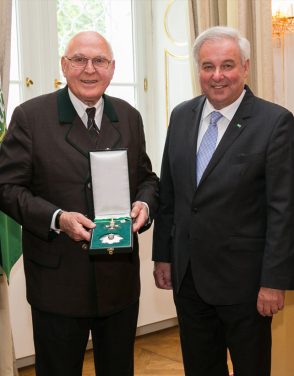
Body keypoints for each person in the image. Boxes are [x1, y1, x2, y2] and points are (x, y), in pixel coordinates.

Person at [0, 31, 158, 376]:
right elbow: (7, 187)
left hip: (119, 279)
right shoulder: (31, 117)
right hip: (58, 283)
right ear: (64, 65)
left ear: (112, 68)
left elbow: (146, 178)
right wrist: (57, 218)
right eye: (79, 60)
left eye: (99, 61)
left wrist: (144, 206)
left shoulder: (129, 116)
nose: (90, 69)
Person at [152, 26, 294, 376]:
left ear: (245, 67)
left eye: (227, 65)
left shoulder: (275, 122)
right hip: (188, 279)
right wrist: (163, 256)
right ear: (198, 69)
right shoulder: (181, 115)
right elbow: (170, 193)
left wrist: (274, 280)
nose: (217, 76)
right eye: (208, 66)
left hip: (246, 285)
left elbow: (284, 209)